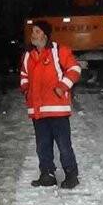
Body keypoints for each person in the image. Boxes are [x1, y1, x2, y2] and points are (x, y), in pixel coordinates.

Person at [20, 21, 82, 189]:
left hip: (57, 110)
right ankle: (47, 175)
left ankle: (71, 175)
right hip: (38, 111)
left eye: (37, 31)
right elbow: (24, 76)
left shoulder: (59, 51)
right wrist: (26, 91)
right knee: (43, 145)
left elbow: (75, 69)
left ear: (45, 35)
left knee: (63, 145)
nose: (33, 34)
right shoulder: (28, 55)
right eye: (33, 31)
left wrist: (62, 87)